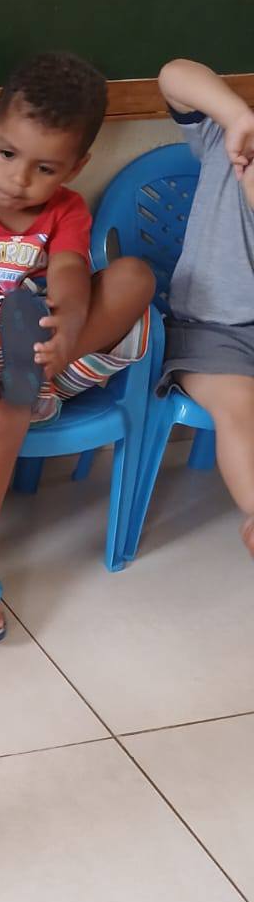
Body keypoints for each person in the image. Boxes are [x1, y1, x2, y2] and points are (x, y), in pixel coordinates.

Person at [0, 52, 154, 640]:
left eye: (44, 168)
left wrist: (67, 325)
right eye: (8, 155)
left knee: (135, 277)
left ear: (76, 167)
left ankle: (45, 364)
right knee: (1, 415)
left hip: (57, 349)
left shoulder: (67, 210)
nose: (19, 180)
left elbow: (70, 272)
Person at [156, 58, 254, 557]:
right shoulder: (226, 135)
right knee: (238, 409)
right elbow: (173, 75)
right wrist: (236, 115)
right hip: (210, 332)